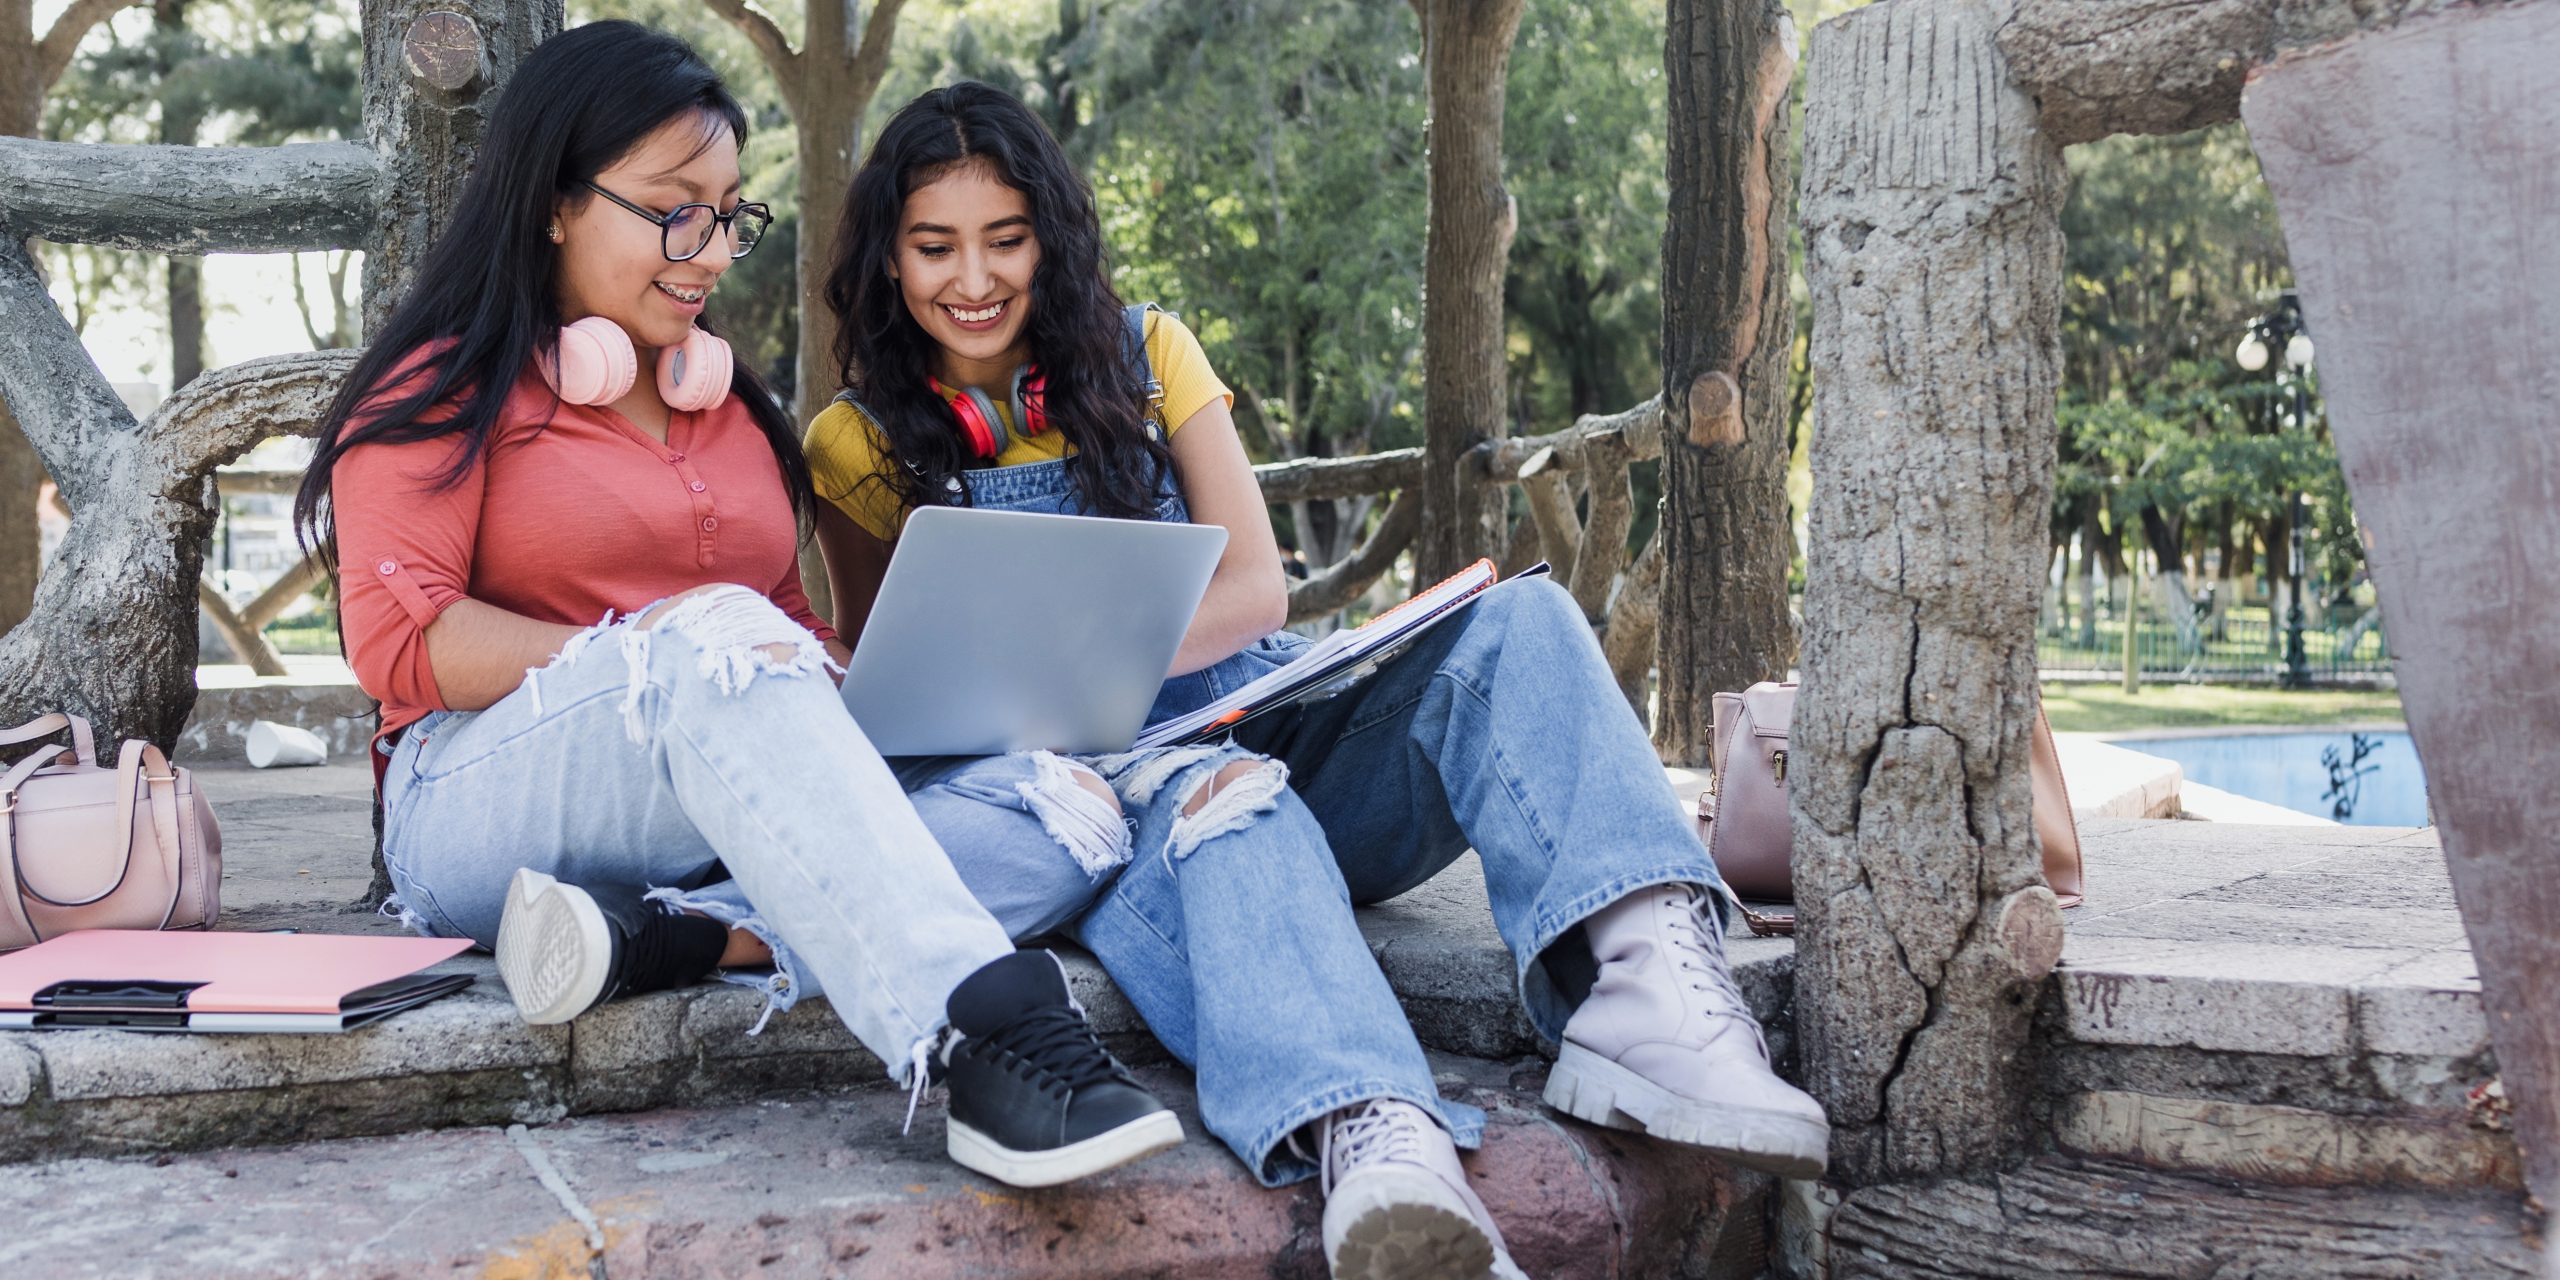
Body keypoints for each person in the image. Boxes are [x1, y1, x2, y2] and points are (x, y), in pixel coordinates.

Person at [807, 81, 1831, 1280]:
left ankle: (1651, 980)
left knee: (1525, 620)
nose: (971, 278)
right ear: (887, 255)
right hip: (1117, 802)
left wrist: (1091, 656)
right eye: (934, 246)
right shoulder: (855, 439)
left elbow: (1253, 592)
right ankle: (1379, 1147)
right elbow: (901, 686)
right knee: (1227, 798)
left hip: (1280, 716)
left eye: (1006, 239)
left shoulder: (1146, 355)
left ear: (1053, 238)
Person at [295, 25, 1180, 1190]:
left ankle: (671, 931)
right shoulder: (440, 390)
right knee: (714, 643)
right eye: (675, 210)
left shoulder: (728, 406)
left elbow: (781, 631)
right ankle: (984, 1036)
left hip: (712, 785)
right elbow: (403, 642)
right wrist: (656, 654)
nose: (709, 251)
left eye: (726, 215)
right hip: (473, 793)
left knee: (1062, 804)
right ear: (558, 202)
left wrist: (881, 683)